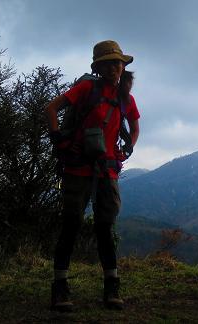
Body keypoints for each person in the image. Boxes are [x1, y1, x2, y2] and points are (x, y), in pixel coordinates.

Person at [45, 40, 140, 312]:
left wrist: (128, 147)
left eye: (118, 62)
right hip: (78, 167)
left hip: (108, 170)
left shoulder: (126, 98)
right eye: (110, 62)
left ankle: (112, 288)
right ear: (99, 66)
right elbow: (51, 108)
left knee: (105, 228)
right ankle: (60, 289)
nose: (115, 67)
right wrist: (57, 140)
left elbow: (134, 127)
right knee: (71, 225)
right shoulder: (87, 88)